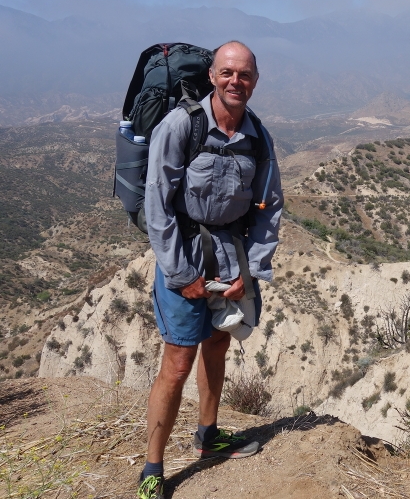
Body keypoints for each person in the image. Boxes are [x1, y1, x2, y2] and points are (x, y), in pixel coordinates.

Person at [137, 41, 283, 499]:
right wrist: (181, 274)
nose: (235, 81)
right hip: (185, 253)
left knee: (217, 344)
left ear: (255, 81)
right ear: (213, 76)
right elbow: (157, 204)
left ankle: (209, 436)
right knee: (178, 363)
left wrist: (252, 271)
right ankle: (152, 469)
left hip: (230, 255)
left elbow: (269, 206)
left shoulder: (257, 136)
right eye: (227, 73)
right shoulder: (182, 125)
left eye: (244, 75)